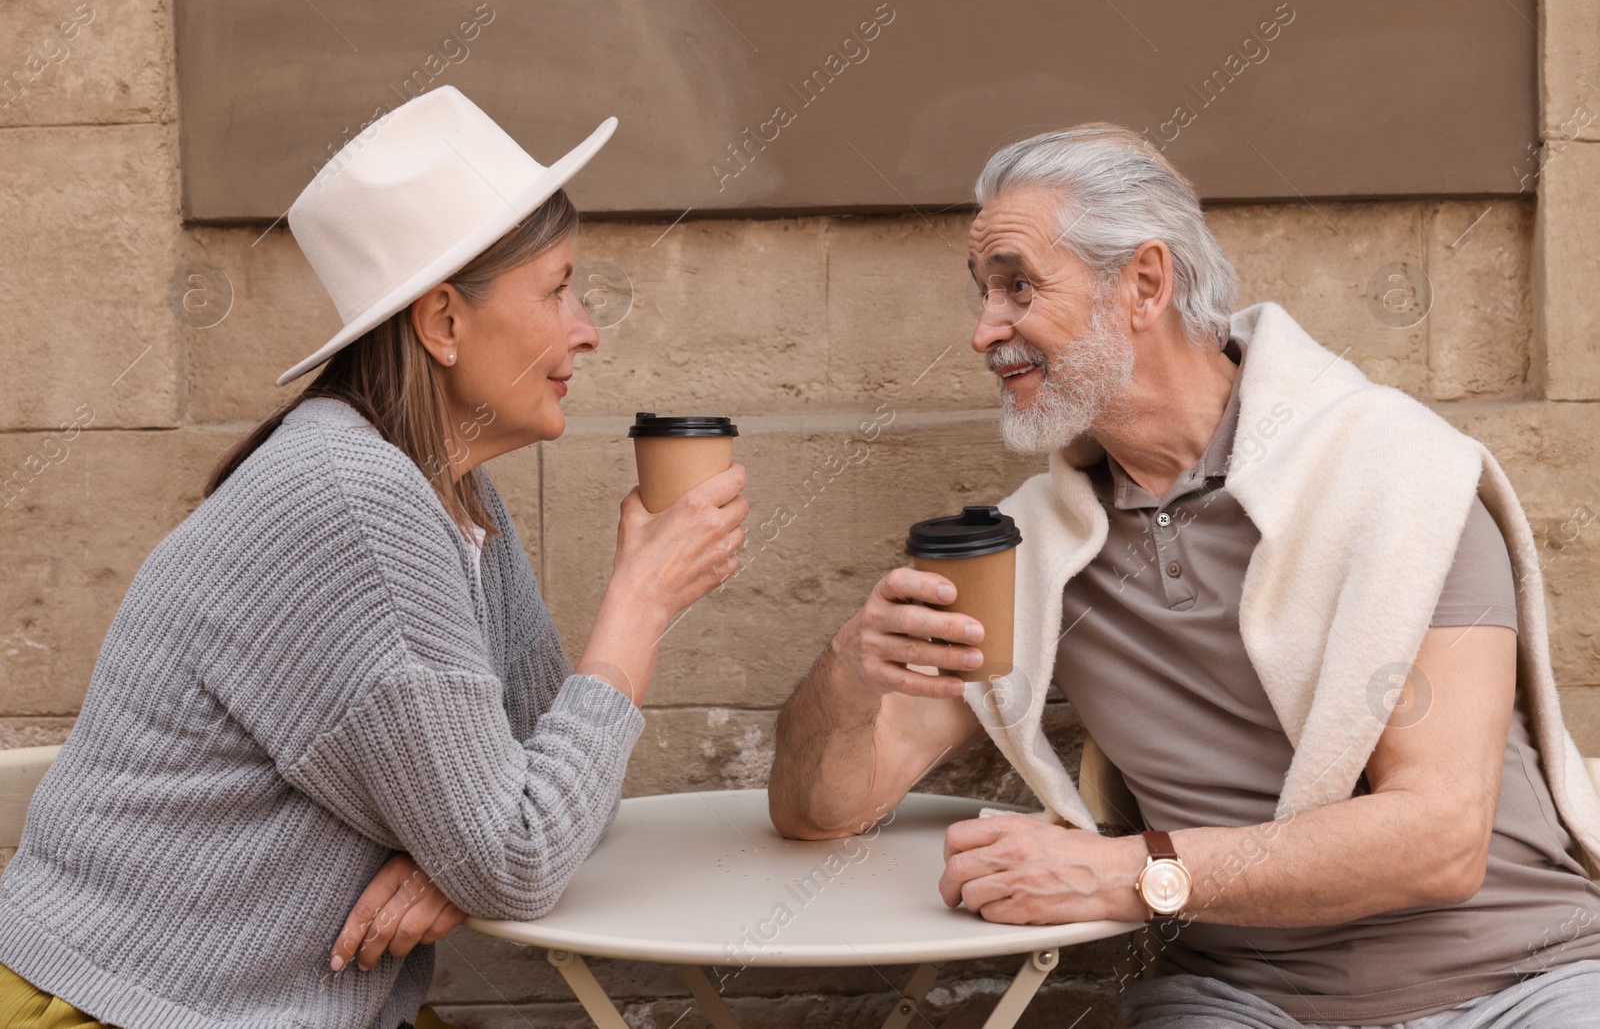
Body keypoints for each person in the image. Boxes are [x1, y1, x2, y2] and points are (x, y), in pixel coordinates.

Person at [768, 123, 1600, 1027]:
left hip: (1525, 981)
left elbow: (1437, 839)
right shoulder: (1032, 549)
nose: (982, 332)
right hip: (1245, 1003)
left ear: (1145, 283)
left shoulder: (1398, 477)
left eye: (1017, 286)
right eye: (983, 292)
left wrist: (1126, 872)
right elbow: (825, 811)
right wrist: (850, 670)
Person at [0, 85, 748, 1029]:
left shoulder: (456, 499)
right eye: (558, 289)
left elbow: (553, 802)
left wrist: (460, 862)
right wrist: (638, 604)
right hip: (119, 1008)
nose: (587, 329)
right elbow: (524, 849)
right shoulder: (356, 505)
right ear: (442, 324)